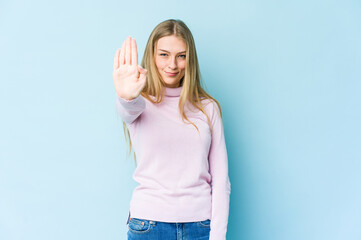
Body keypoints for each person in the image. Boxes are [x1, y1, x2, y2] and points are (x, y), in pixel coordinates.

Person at [112, 19, 231, 240]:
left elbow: (221, 179)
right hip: (148, 226)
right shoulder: (140, 103)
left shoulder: (208, 108)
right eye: (164, 54)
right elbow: (128, 108)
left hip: (200, 227)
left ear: (190, 59)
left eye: (181, 56)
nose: (172, 65)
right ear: (152, 56)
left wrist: (218, 236)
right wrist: (126, 96)